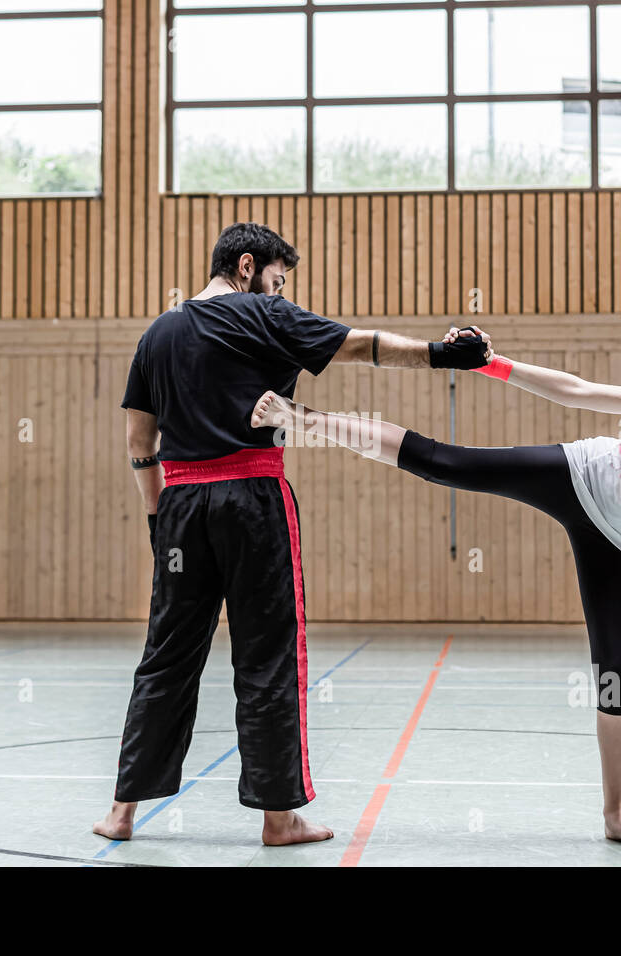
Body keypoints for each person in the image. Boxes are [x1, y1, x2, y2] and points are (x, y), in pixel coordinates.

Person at [250, 340, 621, 850]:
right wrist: (493, 366)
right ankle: (304, 419)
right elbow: (578, 391)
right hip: (581, 474)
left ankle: (616, 815)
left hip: (620, 541)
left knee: (616, 675)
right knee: (447, 463)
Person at [96, 223, 491, 847]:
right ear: (248, 265)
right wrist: (443, 355)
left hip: (178, 507)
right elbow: (364, 347)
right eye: (278, 277)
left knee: (166, 655)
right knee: (268, 653)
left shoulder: (158, 332)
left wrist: (158, 520)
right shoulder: (264, 313)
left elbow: (138, 443)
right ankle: (279, 818)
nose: (280, 290)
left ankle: (121, 813)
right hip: (252, 498)